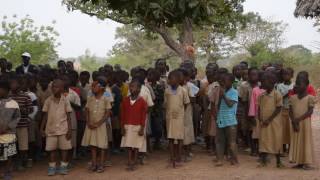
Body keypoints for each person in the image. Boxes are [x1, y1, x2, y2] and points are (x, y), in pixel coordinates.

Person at [40, 79, 73, 176]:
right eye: (53, 87)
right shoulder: (48, 100)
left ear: (62, 89)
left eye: (57, 87)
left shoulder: (65, 100)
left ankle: (63, 166)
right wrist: (41, 128)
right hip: (51, 130)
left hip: (63, 129)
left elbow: (68, 116)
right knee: (51, 150)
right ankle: (52, 167)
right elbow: (45, 115)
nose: (54, 89)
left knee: (64, 149)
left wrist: (70, 129)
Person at [82, 78, 111, 173]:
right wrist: (88, 121)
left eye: (95, 86)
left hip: (101, 126)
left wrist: (99, 123)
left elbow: (107, 113)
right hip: (91, 125)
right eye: (92, 86)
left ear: (101, 88)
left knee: (101, 145)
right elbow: (86, 111)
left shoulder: (105, 99)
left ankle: (101, 164)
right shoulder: (90, 99)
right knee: (93, 145)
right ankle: (94, 164)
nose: (92, 88)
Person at [289, 76, 315, 170]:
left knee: (305, 141)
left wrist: (298, 119)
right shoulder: (293, 98)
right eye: (296, 83)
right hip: (295, 123)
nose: (297, 85)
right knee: (297, 141)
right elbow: (290, 111)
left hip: (304, 123)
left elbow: (310, 111)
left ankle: (306, 162)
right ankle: (299, 162)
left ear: (307, 85)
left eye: (300, 84)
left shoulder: (310, 98)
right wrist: (293, 121)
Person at [164, 70, 190, 168]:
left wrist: (180, 112)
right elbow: (166, 104)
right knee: (170, 138)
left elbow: (186, 103)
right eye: (169, 79)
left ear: (179, 80)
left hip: (179, 117)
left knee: (179, 138)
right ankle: (171, 157)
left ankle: (179, 157)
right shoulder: (167, 90)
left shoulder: (183, 90)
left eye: (172, 78)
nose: (170, 80)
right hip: (169, 117)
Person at [120, 79, 147, 171]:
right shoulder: (125, 100)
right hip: (127, 126)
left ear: (139, 89)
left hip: (137, 126)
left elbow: (143, 116)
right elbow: (122, 115)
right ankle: (129, 160)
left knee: (135, 145)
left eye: (133, 87)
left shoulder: (142, 101)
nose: (131, 89)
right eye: (130, 86)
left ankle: (134, 161)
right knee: (128, 145)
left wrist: (142, 128)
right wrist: (122, 127)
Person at [258, 72, 283, 168]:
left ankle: (278, 161)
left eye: (264, 82)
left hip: (274, 122)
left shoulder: (277, 94)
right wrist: (260, 118)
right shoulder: (262, 95)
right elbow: (259, 108)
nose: (262, 84)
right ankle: (263, 161)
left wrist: (269, 119)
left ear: (271, 82)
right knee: (264, 140)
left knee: (276, 139)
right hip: (264, 122)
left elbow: (278, 108)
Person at [9, 75, 33, 170]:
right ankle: (15, 162)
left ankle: (23, 161)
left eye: (13, 83)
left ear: (19, 85)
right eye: (11, 84)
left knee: (23, 145)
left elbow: (30, 110)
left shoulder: (25, 96)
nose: (12, 85)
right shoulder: (8, 96)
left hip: (22, 124)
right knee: (12, 145)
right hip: (11, 126)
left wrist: (23, 110)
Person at [215, 73, 239, 166]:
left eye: (225, 81)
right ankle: (219, 159)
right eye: (222, 81)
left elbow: (230, 104)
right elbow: (219, 105)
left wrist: (223, 94)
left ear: (231, 82)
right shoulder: (221, 91)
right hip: (221, 118)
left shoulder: (234, 92)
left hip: (230, 120)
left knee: (231, 141)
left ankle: (234, 159)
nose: (222, 83)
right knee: (219, 141)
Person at [0, 77, 20, 180]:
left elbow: (17, 117)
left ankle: (8, 172)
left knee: (8, 155)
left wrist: (7, 127)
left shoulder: (13, 103)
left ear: (6, 90)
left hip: (8, 134)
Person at [238, 67, 259, 153]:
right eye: (251, 74)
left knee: (257, 129)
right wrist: (248, 113)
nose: (253, 76)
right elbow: (241, 99)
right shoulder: (244, 85)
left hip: (258, 112)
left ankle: (258, 148)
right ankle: (252, 148)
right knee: (249, 130)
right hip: (247, 110)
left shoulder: (261, 85)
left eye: (255, 74)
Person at [276, 68, 294, 153]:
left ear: (292, 75)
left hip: (292, 110)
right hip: (282, 110)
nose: (286, 76)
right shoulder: (279, 86)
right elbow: (278, 98)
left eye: (288, 74)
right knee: (282, 129)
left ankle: (291, 148)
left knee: (290, 129)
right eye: (284, 74)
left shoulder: (295, 85)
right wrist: (287, 93)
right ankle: (283, 148)